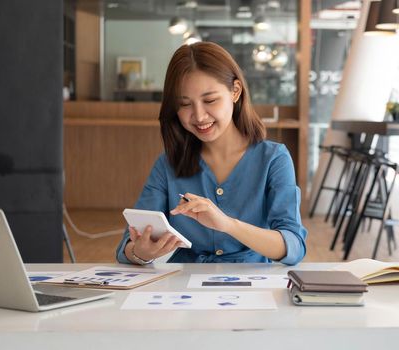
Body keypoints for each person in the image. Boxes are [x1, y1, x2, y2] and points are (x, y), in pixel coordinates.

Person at [116, 42, 307, 266]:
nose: (198, 116)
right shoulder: (167, 164)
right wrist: (141, 252)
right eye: (184, 104)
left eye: (210, 100)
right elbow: (126, 247)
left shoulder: (274, 159)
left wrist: (227, 224)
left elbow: (293, 246)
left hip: (249, 287)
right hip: (180, 287)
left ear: (235, 92)